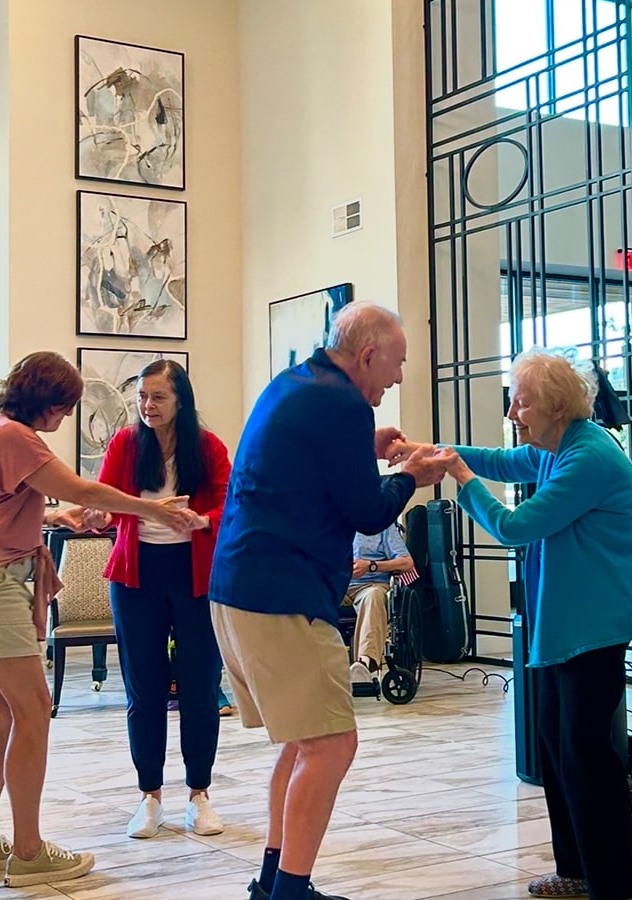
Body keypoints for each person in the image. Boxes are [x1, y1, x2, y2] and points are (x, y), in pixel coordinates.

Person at [209, 302, 453, 900]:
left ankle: (274, 883)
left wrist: (365, 446)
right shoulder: (342, 403)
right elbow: (368, 511)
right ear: (367, 355)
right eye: (397, 363)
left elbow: (301, 461)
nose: (399, 377)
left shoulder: (296, 382)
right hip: (281, 596)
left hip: (238, 588)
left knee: (304, 741)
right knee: (331, 744)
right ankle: (290, 891)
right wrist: (413, 476)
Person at [403, 349, 632, 900]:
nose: (512, 412)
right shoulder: (554, 447)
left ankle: (620, 886)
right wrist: (434, 453)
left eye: (521, 402)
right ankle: (577, 871)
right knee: (556, 749)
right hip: (567, 621)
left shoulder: (588, 458)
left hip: (596, 623)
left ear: (556, 407)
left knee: (588, 756)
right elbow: (502, 460)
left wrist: (460, 477)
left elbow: (515, 527)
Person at [0, 351, 189, 887]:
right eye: (66, 406)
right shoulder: (15, 437)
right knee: (33, 711)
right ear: (46, 401)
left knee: (8, 715)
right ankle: (29, 853)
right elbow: (84, 487)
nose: (68, 416)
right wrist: (154, 509)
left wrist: (52, 514)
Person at [82, 360, 231, 839]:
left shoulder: (207, 447)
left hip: (195, 577)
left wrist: (203, 520)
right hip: (136, 576)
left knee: (200, 687)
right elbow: (106, 503)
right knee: (143, 689)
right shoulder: (126, 444)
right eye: (142, 397)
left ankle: (199, 795)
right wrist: (97, 517)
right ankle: (149, 796)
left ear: (181, 400)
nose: (148, 406)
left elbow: (232, 504)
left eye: (159, 397)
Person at [345, 524, 415, 684]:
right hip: (333, 585)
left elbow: (407, 563)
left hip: (370, 585)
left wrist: (371, 566)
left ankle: (364, 663)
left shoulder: (382, 526)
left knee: (373, 597)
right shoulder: (324, 523)